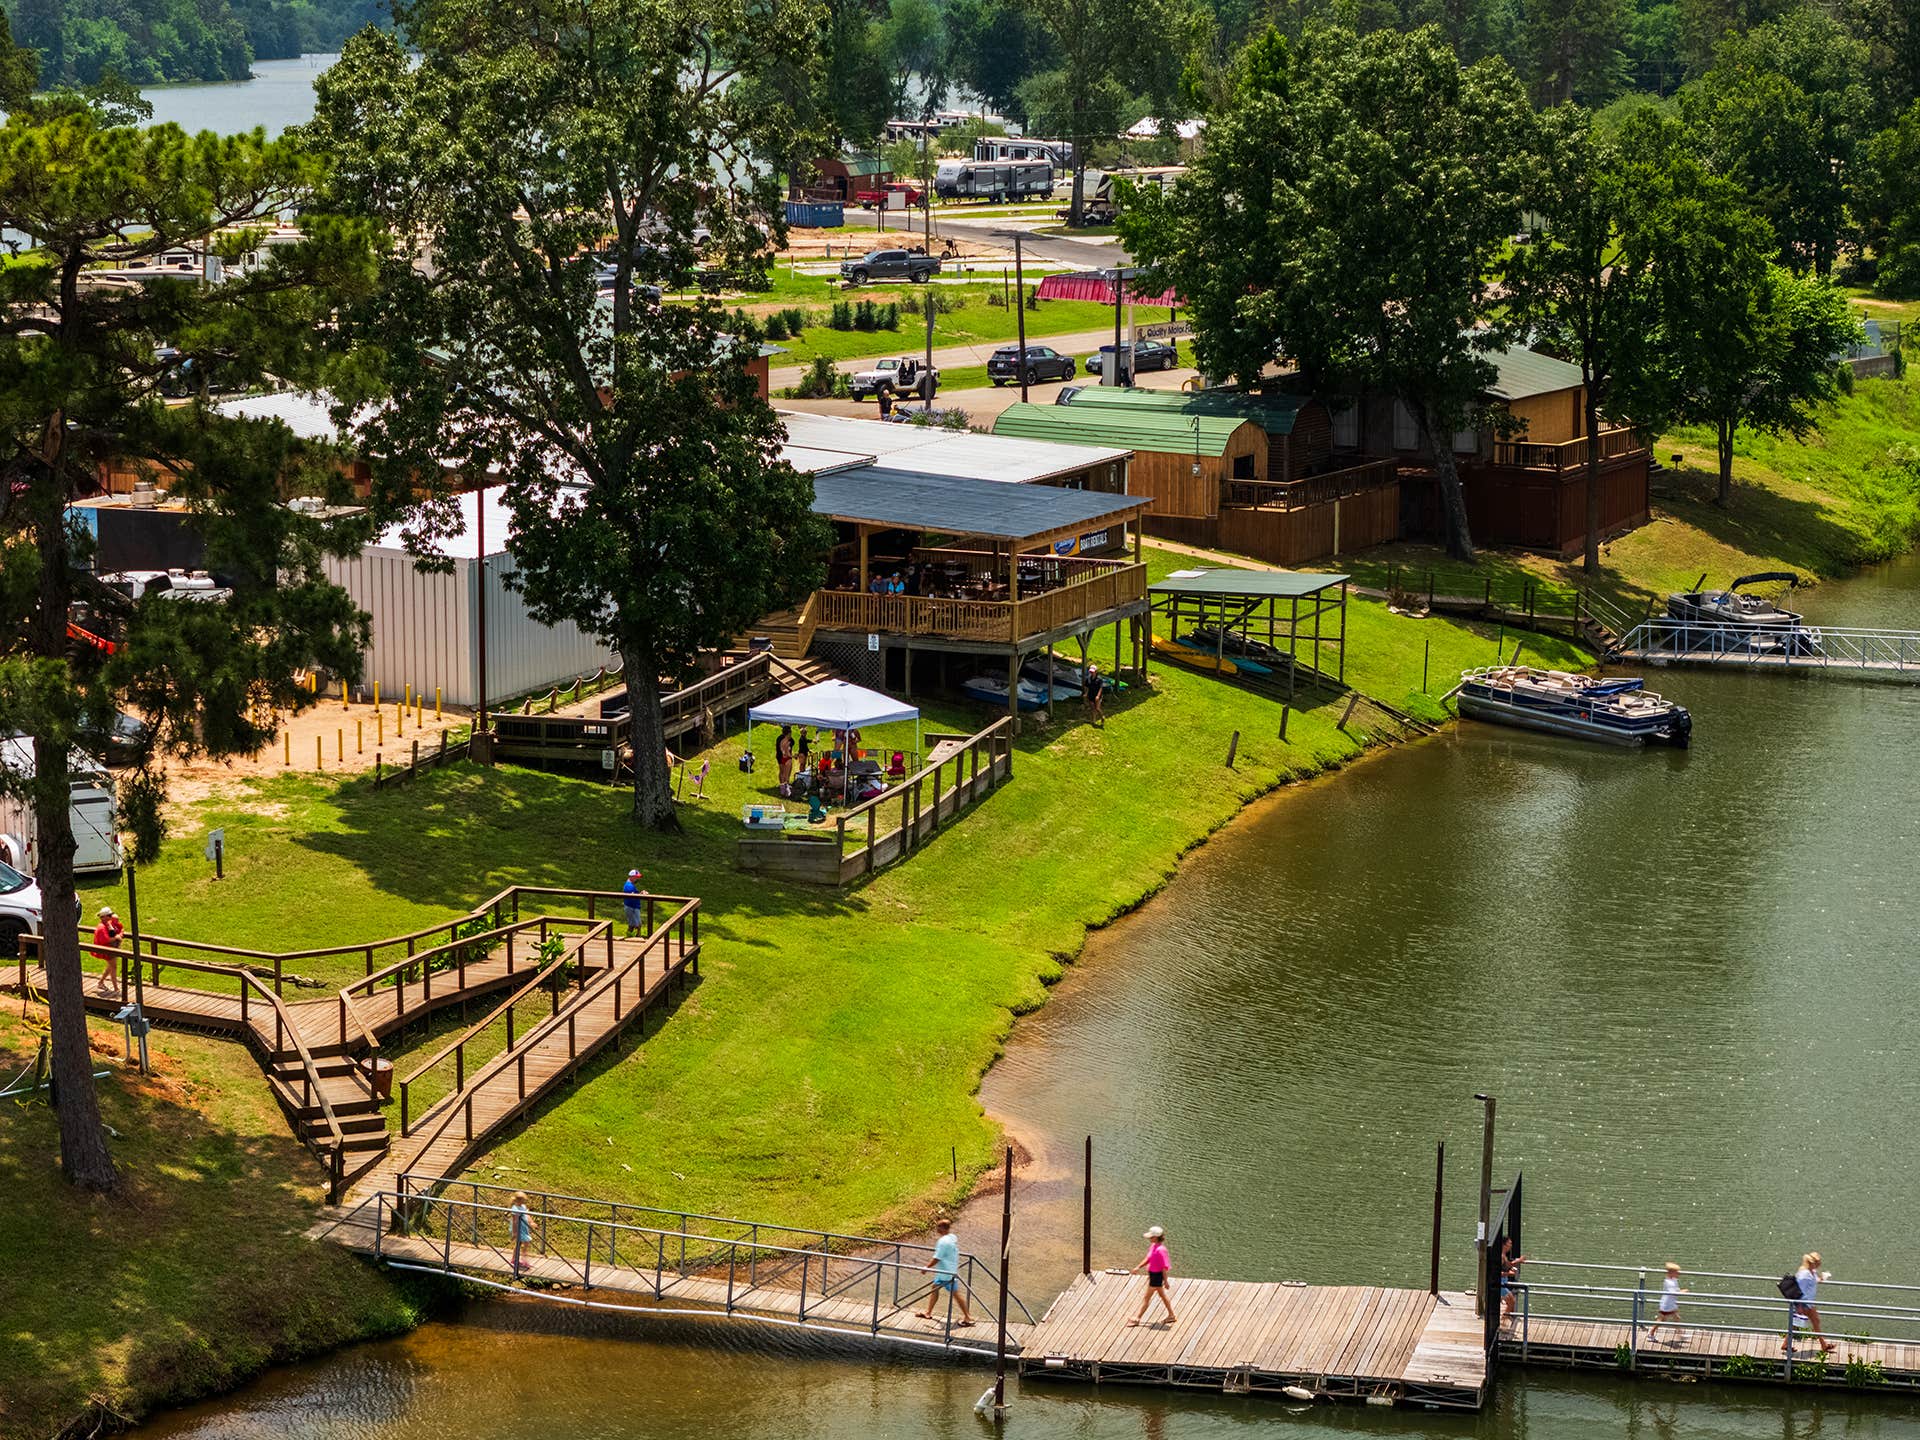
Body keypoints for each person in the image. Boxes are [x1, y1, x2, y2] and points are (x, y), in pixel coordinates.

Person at [915, 1218, 973, 1326]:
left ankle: (968, 1317)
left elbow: (937, 1258)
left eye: (938, 1226)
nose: (936, 1229)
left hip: (946, 1274)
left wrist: (926, 1267)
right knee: (934, 1287)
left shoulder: (943, 1242)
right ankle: (928, 1312)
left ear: (942, 1228)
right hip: (947, 1270)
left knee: (956, 1294)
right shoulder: (952, 1238)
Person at [1783, 1252, 1836, 1353]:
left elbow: (1815, 1280)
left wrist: (1823, 1278)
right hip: (1804, 1304)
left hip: (1808, 1302)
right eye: (1817, 1263)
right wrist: (1799, 1306)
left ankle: (1785, 1344)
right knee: (1815, 1322)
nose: (1819, 1265)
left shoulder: (1812, 1271)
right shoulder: (1805, 1274)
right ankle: (1824, 1345)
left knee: (1797, 1324)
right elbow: (1798, 1291)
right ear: (1812, 1263)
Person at [1127, 1225, 1176, 1326]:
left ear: (1156, 1237)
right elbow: (1148, 1259)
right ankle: (1171, 1315)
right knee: (1162, 1295)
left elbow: (1164, 1267)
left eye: (1151, 1236)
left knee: (1146, 1298)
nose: (1149, 1238)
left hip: (1157, 1277)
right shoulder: (1153, 1246)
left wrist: (1165, 1281)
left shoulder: (1161, 1250)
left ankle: (1137, 1318)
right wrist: (1138, 1267)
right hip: (1153, 1275)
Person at [1648, 1262, 1688, 1343]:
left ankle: (1680, 1335)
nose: (1678, 1274)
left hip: (1671, 1303)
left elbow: (1675, 1290)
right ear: (1671, 1273)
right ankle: (1651, 1333)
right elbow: (1673, 1292)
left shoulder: (1673, 1280)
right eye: (1676, 1272)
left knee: (1676, 1318)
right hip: (1667, 1305)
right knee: (1661, 1320)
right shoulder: (1668, 1282)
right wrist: (1682, 1292)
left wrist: (1680, 1291)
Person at [91, 907, 124, 992]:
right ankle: (116, 988)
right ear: (103, 917)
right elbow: (105, 940)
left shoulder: (108, 924)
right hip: (106, 950)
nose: (111, 917)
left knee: (110, 966)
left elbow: (118, 929)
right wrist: (117, 937)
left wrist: (118, 934)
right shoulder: (102, 927)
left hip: (110, 949)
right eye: (109, 915)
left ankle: (101, 982)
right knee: (113, 967)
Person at [1499, 1237, 1529, 1324]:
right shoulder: (1501, 1256)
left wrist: (1517, 1261)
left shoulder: (1504, 1255)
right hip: (1500, 1283)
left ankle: (1505, 1319)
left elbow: (1508, 1265)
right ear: (1504, 1245)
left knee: (1511, 1302)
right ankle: (1503, 1321)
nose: (1511, 1246)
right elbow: (1495, 1273)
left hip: (1504, 1282)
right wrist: (1509, 1274)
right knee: (1512, 1301)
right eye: (1509, 1244)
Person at [509, 1191, 533, 1275]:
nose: (523, 1202)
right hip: (519, 1228)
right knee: (525, 1242)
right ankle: (523, 1259)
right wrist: (514, 1232)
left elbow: (527, 1214)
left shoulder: (523, 1206)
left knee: (519, 1243)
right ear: (518, 1200)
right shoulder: (515, 1209)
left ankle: (515, 1259)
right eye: (522, 1201)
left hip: (524, 1227)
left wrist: (531, 1222)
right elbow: (515, 1221)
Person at [622, 869, 644, 937]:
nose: (637, 878)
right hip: (631, 907)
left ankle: (634, 936)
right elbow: (633, 896)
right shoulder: (629, 886)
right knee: (635, 925)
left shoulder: (630, 885)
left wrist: (640, 893)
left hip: (633, 907)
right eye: (636, 877)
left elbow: (635, 894)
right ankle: (636, 937)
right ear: (632, 877)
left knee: (636, 924)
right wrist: (642, 894)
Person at [775, 725, 796, 796]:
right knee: (784, 772)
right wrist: (792, 756)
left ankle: (783, 786)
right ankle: (784, 787)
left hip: (782, 757)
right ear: (788, 733)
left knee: (783, 772)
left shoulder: (784, 739)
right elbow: (785, 751)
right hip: (782, 757)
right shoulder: (783, 740)